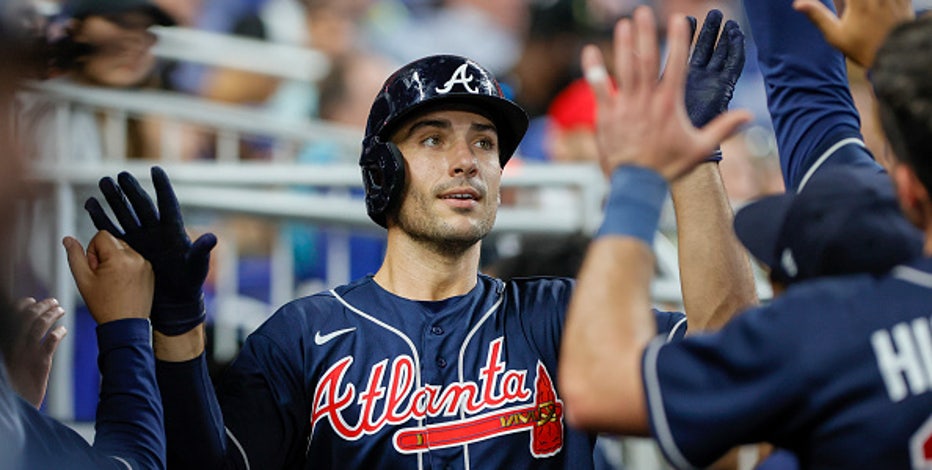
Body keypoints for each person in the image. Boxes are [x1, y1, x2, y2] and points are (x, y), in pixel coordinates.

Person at [85, 11, 754, 467]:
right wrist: (176, 327)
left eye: (484, 143)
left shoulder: (562, 319)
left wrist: (692, 164)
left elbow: (730, 361)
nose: (466, 160)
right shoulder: (301, 336)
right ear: (382, 171)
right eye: (433, 138)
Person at [559, 2, 932, 468]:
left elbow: (598, 385)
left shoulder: (823, 333)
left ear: (908, 193)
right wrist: (897, 65)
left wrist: (639, 176)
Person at [0, 7, 165, 469]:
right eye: (117, 21)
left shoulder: (113, 116)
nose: (133, 43)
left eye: (143, 31)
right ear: (72, 31)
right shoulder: (60, 115)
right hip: (63, 320)